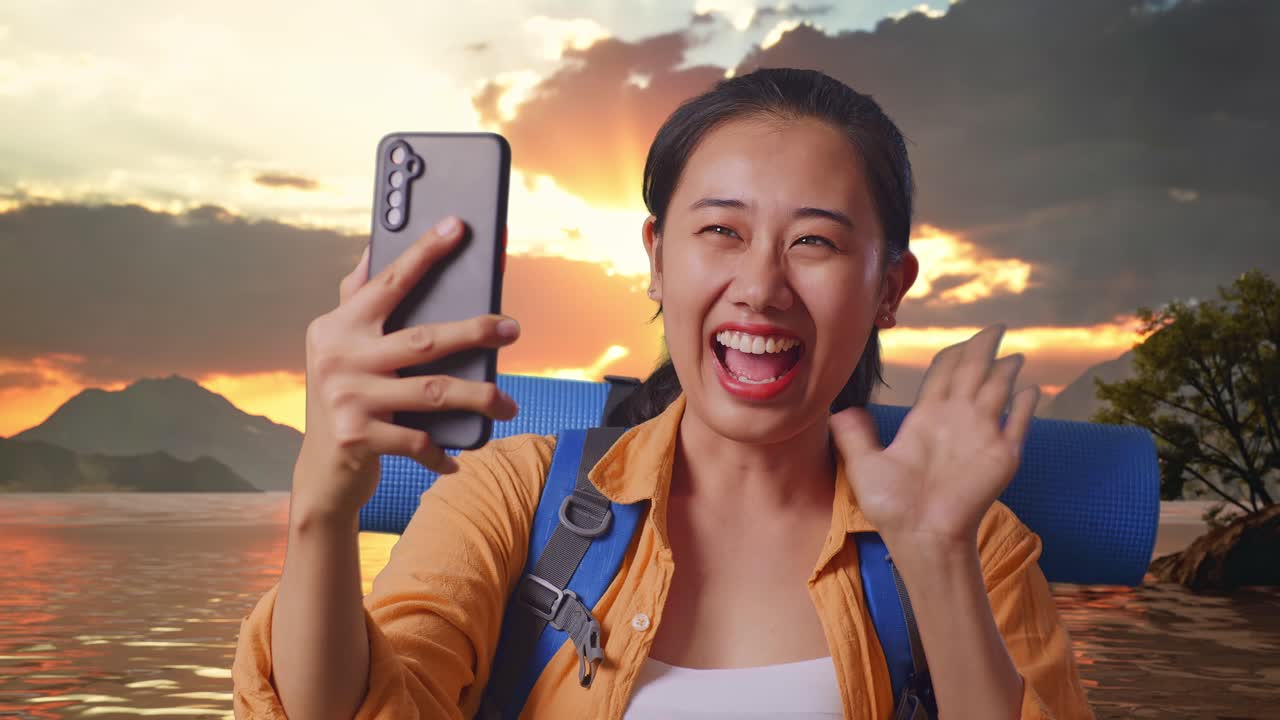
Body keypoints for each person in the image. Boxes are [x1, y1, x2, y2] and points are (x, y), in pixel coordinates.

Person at [232, 67, 1094, 719]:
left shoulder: (977, 549)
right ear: (655, 258)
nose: (761, 286)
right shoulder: (513, 495)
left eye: (816, 244)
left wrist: (936, 556)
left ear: (889, 289)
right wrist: (321, 508)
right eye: (721, 230)